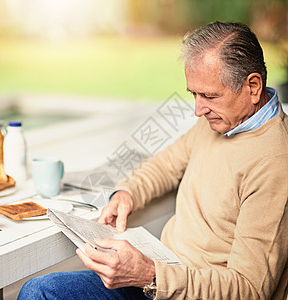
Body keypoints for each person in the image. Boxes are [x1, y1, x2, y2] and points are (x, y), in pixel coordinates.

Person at [18, 21, 288, 300]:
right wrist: (127, 193)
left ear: (253, 87)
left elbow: (250, 289)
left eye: (208, 95)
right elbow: (166, 164)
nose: (198, 109)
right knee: (38, 292)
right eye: (193, 94)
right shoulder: (222, 119)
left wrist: (150, 275)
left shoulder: (275, 161)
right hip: (160, 279)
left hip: (174, 285)